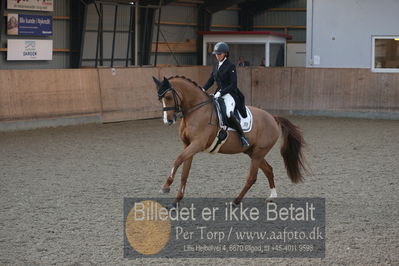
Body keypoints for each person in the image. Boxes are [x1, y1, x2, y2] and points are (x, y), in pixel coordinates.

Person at [202, 42, 250, 147]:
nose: (217, 56)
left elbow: (233, 84)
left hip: (230, 94)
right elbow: (211, 80)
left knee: (228, 113)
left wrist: (221, 92)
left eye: (220, 54)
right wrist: (202, 89)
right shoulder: (216, 66)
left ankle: (242, 136)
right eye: (216, 54)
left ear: (225, 54)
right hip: (218, 94)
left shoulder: (230, 66)